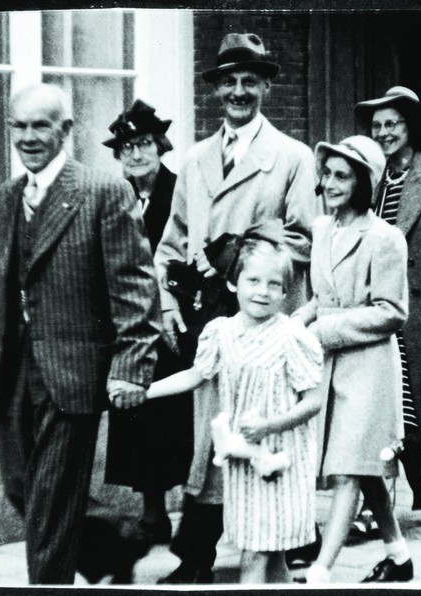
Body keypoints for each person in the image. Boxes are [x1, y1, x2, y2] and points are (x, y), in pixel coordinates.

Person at [0, 83, 161, 585]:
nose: (28, 137)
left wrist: (131, 366)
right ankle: (113, 545)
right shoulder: (9, 196)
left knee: (50, 503)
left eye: (41, 126)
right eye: (19, 126)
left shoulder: (102, 190)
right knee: (19, 485)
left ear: (66, 130)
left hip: (72, 371)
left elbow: (135, 286)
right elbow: (0, 289)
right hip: (15, 373)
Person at [153, 32, 320, 584]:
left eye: (251, 80)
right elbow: (172, 243)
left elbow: (303, 239)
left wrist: (242, 250)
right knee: (208, 434)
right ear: (216, 89)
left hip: (261, 315)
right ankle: (196, 556)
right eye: (229, 81)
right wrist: (167, 298)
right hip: (208, 315)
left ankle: (280, 544)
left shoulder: (292, 158)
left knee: (258, 432)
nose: (239, 91)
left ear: (267, 85)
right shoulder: (195, 159)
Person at [146, 237, 325, 584]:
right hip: (243, 470)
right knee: (272, 559)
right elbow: (196, 375)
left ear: (286, 292)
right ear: (233, 283)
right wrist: (147, 392)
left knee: (256, 556)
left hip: (281, 466)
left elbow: (313, 401)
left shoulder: (293, 338)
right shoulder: (222, 333)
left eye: (275, 284)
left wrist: (269, 426)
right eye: (253, 281)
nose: (263, 291)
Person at [294, 135, 413, 584]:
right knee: (363, 466)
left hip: (368, 369)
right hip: (326, 367)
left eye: (342, 176)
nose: (330, 183)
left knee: (347, 466)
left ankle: (322, 571)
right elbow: (319, 299)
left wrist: (322, 330)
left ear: (364, 182)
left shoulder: (385, 238)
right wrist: (294, 325)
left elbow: (391, 312)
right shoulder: (323, 229)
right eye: (326, 174)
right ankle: (399, 556)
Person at [351, 85, 421, 531]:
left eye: (392, 124)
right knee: (383, 408)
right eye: (376, 126)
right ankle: (373, 506)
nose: (383, 133)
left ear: (410, 127)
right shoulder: (370, 179)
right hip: (381, 308)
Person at [100, 99, 192, 543]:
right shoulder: (114, 197)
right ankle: (152, 512)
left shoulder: (180, 191)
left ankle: (192, 515)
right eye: (127, 147)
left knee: (177, 418)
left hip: (173, 320)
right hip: (130, 327)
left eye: (145, 144)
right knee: (139, 416)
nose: (136, 154)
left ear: (161, 147)